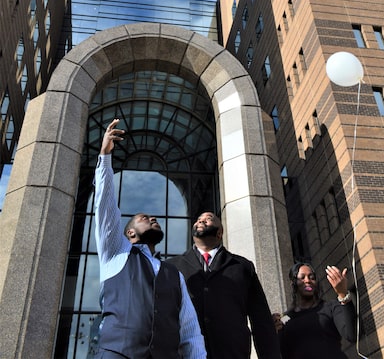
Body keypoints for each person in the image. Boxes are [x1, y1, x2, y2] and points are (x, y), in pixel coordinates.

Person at [94, 119, 206, 359]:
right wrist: (104, 158)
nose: (153, 217)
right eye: (144, 217)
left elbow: (190, 331)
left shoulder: (174, 274)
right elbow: (105, 208)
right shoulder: (115, 251)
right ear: (129, 233)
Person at [170, 211, 281, 359]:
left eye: (208, 219)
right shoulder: (171, 267)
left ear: (220, 233)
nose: (201, 221)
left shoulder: (242, 266)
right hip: (185, 353)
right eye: (198, 220)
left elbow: (261, 318)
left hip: (232, 352)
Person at [272, 262, 357, 359]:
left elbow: (352, 335)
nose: (307, 280)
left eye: (312, 277)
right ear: (293, 283)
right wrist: (272, 333)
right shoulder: (284, 319)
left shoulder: (330, 307)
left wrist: (343, 295)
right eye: (302, 277)